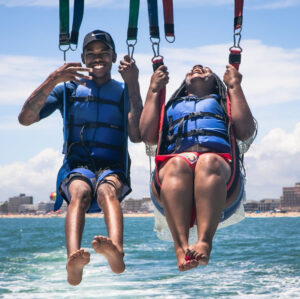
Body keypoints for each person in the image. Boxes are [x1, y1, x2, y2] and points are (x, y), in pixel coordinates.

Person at [18, 30, 143, 285]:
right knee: (79, 192)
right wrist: (52, 79)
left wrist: (133, 84)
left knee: (107, 191)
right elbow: (25, 119)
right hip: (78, 166)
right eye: (91, 54)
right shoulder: (67, 90)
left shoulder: (121, 92)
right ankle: (73, 261)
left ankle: (116, 251)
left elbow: (136, 134)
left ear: (114, 57)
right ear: (84, 58)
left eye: (104, 53)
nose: (98, 58)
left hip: (113, 167)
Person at [139, 63, 256, 271]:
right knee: (177, 163)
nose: (198, 67)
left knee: (207, 161)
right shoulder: (171, 107)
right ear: (184, 83)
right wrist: (154, 90)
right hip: (174, 173)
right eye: (192, 69)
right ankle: (180, 248)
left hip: (221, 177)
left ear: (216, 82)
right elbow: (147, 136)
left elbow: (245, 131)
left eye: (206, 69)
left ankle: (204, 242)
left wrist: (235, 86)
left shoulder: (223, 102)